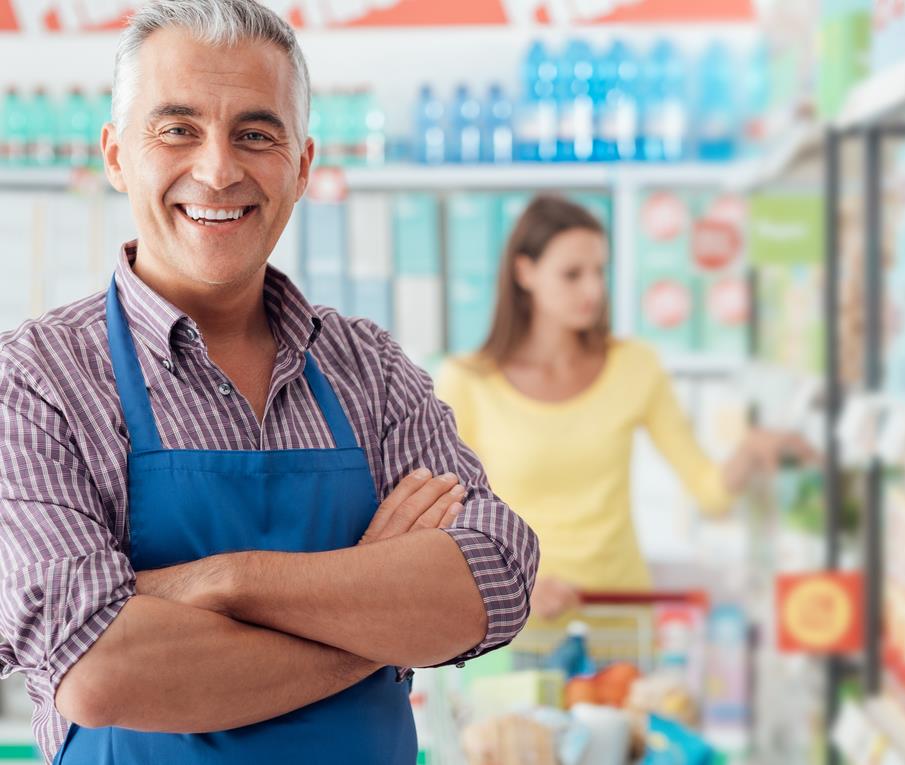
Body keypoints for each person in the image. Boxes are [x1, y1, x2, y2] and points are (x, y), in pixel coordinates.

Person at [0, 2, 538, 763]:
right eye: (177, 129)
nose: (218, 169)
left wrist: (225, 582)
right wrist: (374, 627)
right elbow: (99, 667)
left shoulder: (369, 370)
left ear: (303, 166)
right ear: (117, 155)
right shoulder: (35, 381)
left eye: (255, 133)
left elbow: (497, 577)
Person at [436, 194, 810, 620]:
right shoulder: (468, 381)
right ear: (525, 272)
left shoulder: (635, 366)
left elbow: (709, 491)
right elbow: (445, 518)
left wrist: (752, 450)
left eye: (599, 271)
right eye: (572, 274)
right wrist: (512, 582)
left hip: (618, 616)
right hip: (513, 620)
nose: (593, 289)